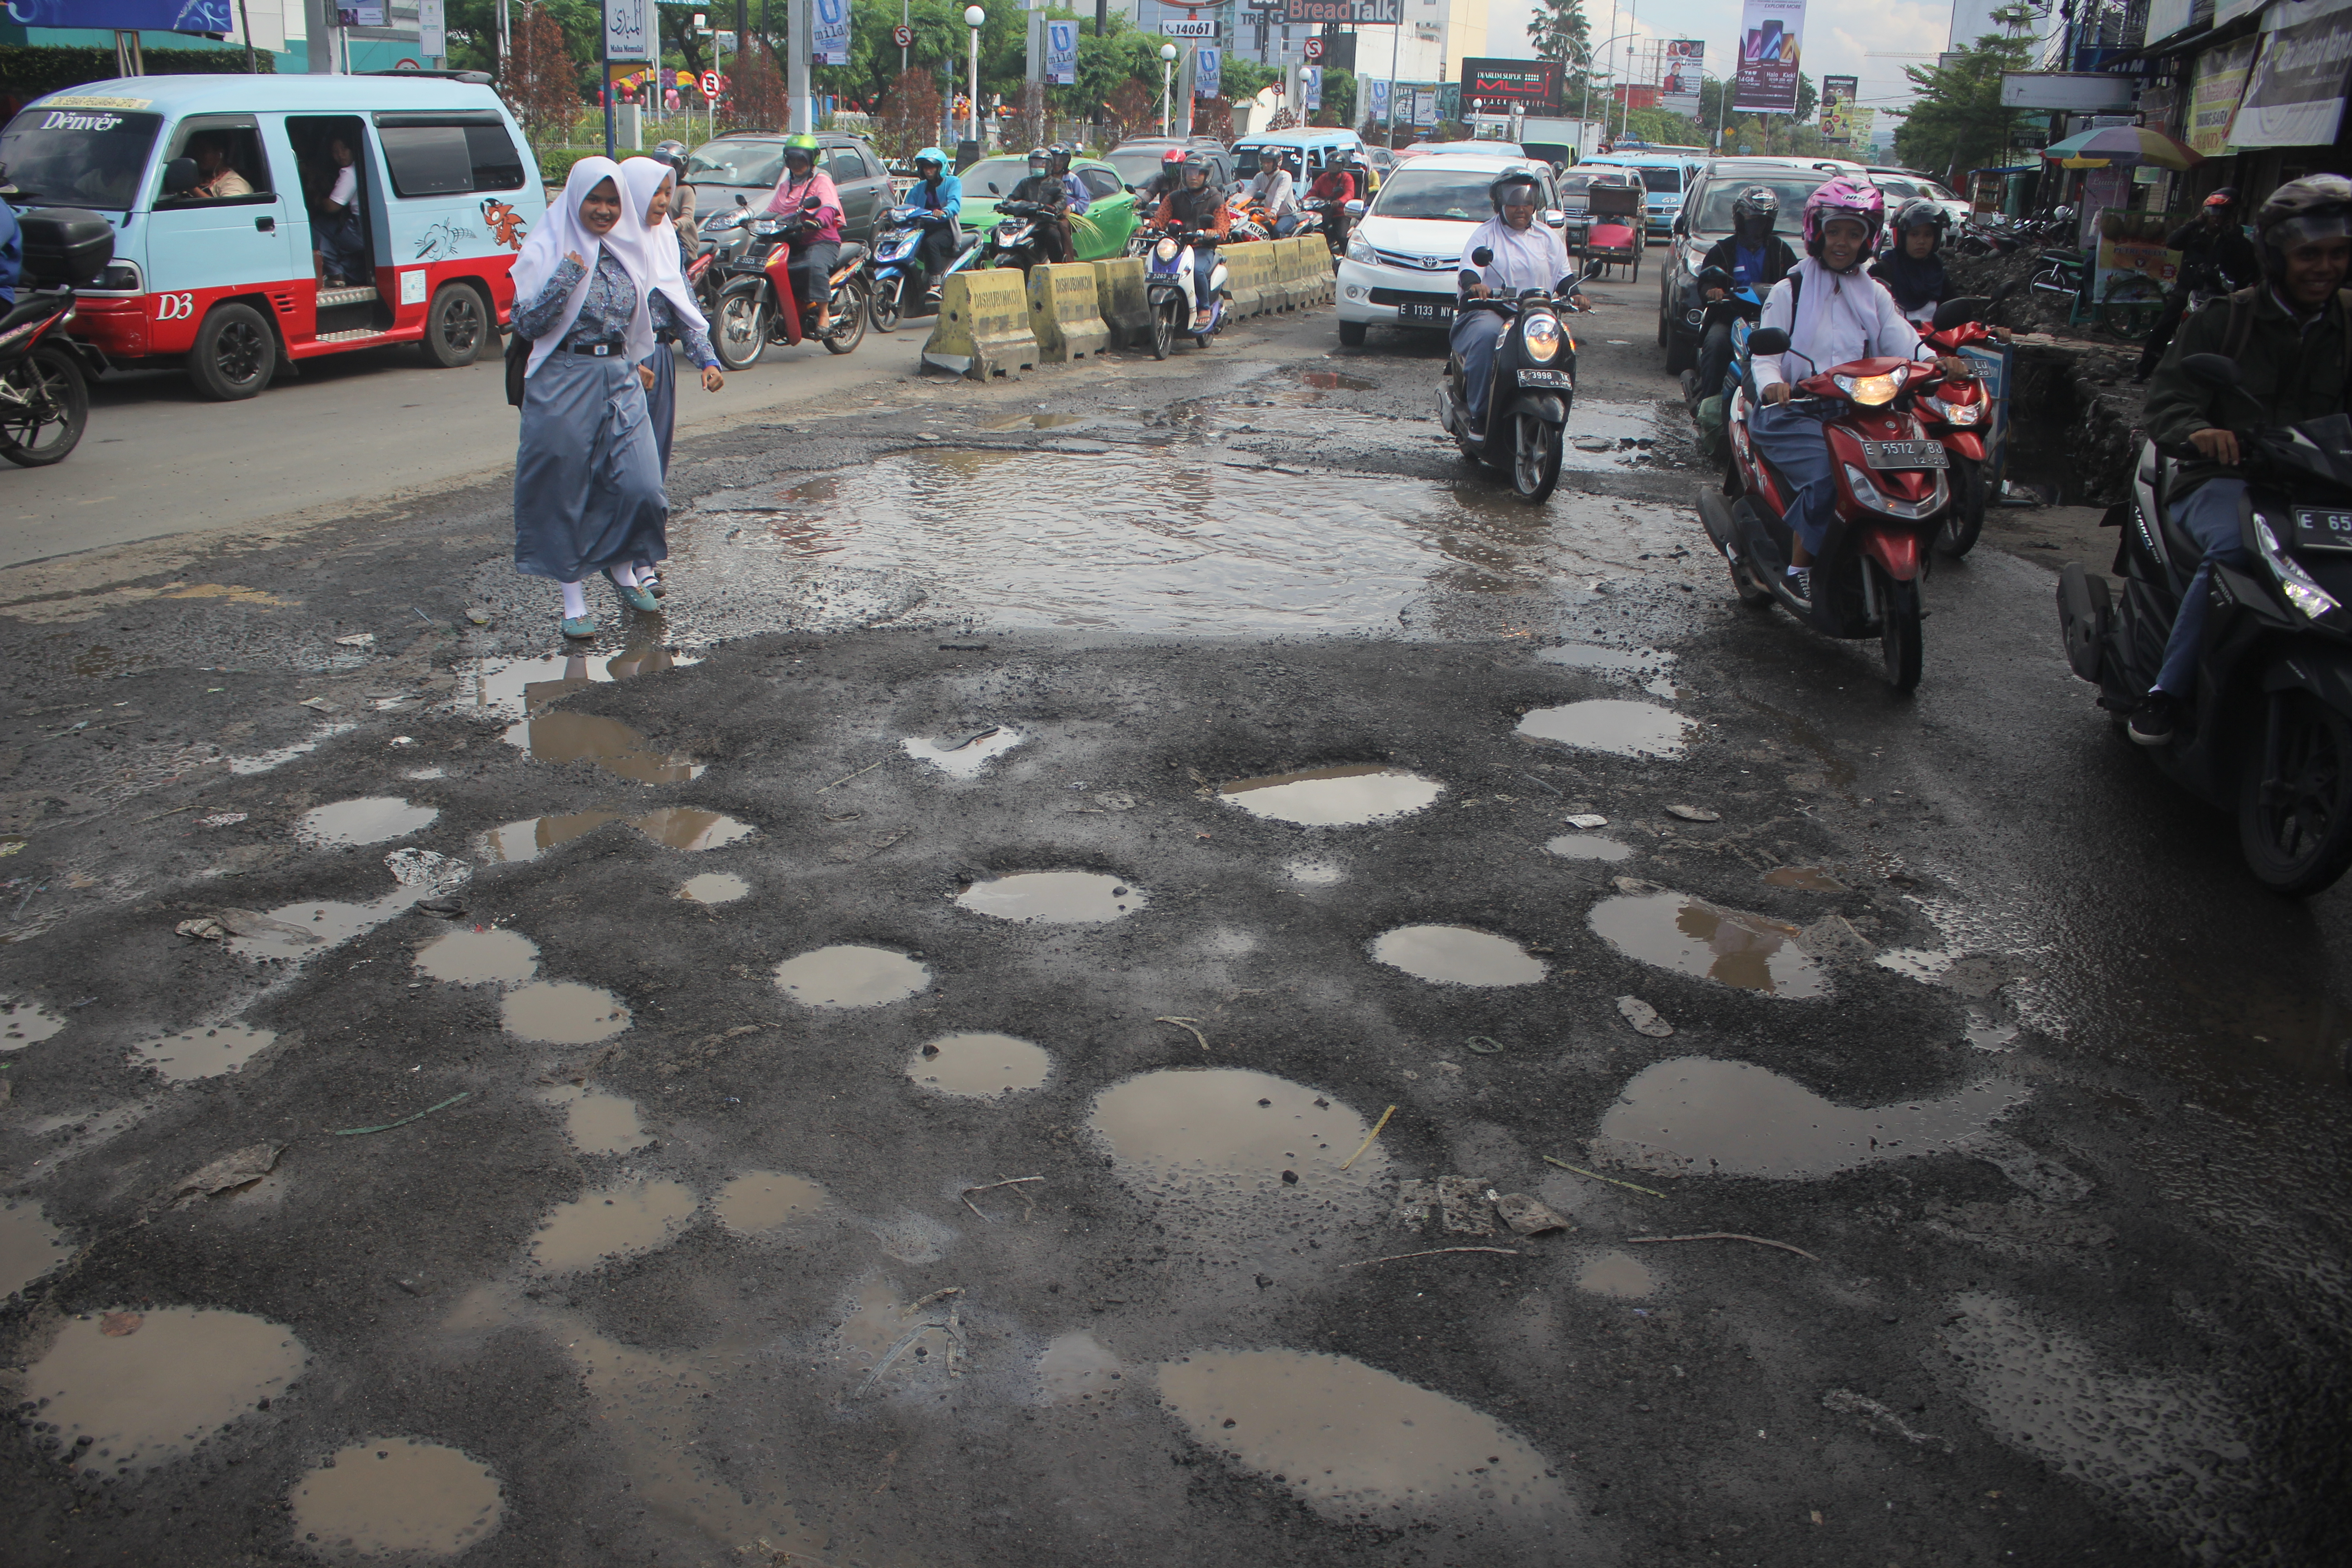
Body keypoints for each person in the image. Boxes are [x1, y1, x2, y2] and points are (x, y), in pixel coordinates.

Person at [2131, 175, 2352, 745]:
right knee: (2234, 550)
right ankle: (2166, 692)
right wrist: (2202, 432)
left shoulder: (2348, 325)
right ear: (2278, 256)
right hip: (2227, 480)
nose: (2324, 267)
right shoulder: (2225, 319)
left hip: (2324, 489)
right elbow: (2169, 402)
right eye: (2310, 255)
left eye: (2337, 253)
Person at [1749, 176, 1961, 606]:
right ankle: (1799, 569)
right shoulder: (1791, 289)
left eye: (1854, 233)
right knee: (1830, 478)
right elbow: (1766, 352)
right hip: (1796, 412)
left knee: (1922, 466)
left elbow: (1903, 341)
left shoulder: (1876, 292)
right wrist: (1773, 385)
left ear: (1869, 239)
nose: (1842, 242)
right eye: (1835, 231)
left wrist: (1935, 361)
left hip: (1860, 410)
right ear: (1817, 232)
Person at [509, 157, 670, 640]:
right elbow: (526, 324)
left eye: (612, 201)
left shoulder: (627, 250)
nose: (603, 210)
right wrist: (565, 277)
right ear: (575, 200)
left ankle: (621, 567)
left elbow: (644, 313)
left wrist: (635, 357)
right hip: (562, 377)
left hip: (618, 376)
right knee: (565, 490)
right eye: (594, 200)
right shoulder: (547, 249)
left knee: (640, 484)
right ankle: (573, 602)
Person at [1449, 169, 1573, 439]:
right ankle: (1480, 415)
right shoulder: (1485, 235)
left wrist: (1576, 293)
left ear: (1536, 204)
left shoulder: (1549, 238)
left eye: (1527, 201)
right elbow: (1469, 270)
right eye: (1514, 201)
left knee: (1564, 344)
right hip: (1490, 311)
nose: (1521, 208)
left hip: (1535, 314)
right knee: (1487, 337)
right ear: (1499, 202)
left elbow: (1565, 277)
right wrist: (1475, 286)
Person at [2133, 187, 2261, 382]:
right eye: (2211, 214)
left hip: (2218, 294)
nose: (2215, 219)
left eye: (2221, 215)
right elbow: (2172, 242)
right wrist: (2194, 223)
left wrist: (2233, 234)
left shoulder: (2236, 239)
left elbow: (2246, 263)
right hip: (2187, 290)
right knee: (2162, 328)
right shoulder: (2195, 233)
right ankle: (2143, 371)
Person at [1687, 186, 1796, 407]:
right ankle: (1708, 404)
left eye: (1762, 222)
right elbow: (1706, 280)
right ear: (1739, 220)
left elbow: (1796, 279)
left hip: (1771, 320)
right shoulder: (1722, 250)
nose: (1757, 227)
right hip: (1731, 317)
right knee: (1716, 343)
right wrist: (1712, 291)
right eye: (1752, 221)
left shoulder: (1781, 250)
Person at [764, 133, 842, 334]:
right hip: (791, 240)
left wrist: (817, 222)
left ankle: (824, 313)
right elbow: (772, 211)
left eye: (801, 159)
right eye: (792, 159)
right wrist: (751, 221)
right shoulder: (784, 187)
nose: (797, 164)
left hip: (822, 241)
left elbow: (829, 207)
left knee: (814, 266)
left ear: (812, 159)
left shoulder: (821, 182)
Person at [1154, 149, 1233, 331]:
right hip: (1178, 247)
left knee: (1196, 270)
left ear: (1206, 176)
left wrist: (1213, 233)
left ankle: (1204, 308)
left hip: (1202, 248)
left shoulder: (1215, 199)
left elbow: (1223, 227)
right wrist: (1150, 226)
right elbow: (1161, 217)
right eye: (1190, 173)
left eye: (1198, 174)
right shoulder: (1175, 197)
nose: (1193, 177)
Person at [903, 146, 963, 293]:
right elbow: (907, 206)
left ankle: (936, 285)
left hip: (945, 229)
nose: (928, 171)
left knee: (932, 243)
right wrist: (892, 212)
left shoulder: (953, 182)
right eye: (925, 168)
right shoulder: (919, 188)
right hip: (923, 228)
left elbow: (955, 203)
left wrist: (944, 212)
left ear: (940, 168)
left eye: (932, 168)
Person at [1008, 146, 1077, 265]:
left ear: (1048, 165)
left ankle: (1058, 265)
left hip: (1045, 223)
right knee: (998, 232)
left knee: (1053, 235)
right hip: (1025, 224)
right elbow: (1013, 197)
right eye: (1034, 164)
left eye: (1041, 164)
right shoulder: (1025, 183)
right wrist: (1006, 204)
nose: (1037, 167)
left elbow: (1062, 200)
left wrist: (1053, 208)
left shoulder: (1057, 183)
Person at [314, 134, 367, 286]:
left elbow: (333, 206)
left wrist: (319, 201)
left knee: (319, 227)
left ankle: (335, 273)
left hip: (358, 229)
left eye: (344, 149)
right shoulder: (364, 166)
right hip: (368, 226)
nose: (340, 154)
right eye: (335, 151)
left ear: (352, 149)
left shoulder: (349, 172)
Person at [1306, 152, 1358, 250]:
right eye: (1330, 165)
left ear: (1342, 166)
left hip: (1341, 214)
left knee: (1341, 237)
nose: (1333, 168)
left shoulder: (1347, 178)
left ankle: (1346, 256)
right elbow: (1313, 191)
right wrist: (1303, 201)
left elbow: (1350, 194)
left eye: (1335, 165)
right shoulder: (1323, 178)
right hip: (1324, 212)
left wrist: (1339, 202)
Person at [185, 132, 253, 200]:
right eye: (196, 151)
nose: (198, 156)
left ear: (220, 154)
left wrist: (193, 190)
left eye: (203, 151)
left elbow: (229, 209)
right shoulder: (201, 178)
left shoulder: (234, 182)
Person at [1249, 150, 1302, 236]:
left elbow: (1280, 195)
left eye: (1269, 162)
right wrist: (1234, 204)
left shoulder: (1285, 176)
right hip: (1267, 214)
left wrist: (1273, 212)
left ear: (1277, 163)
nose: (1265, 165)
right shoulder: (1259, 176)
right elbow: (1248, 192)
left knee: (1278, 230)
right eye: (1264, 162)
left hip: (1286, 215)